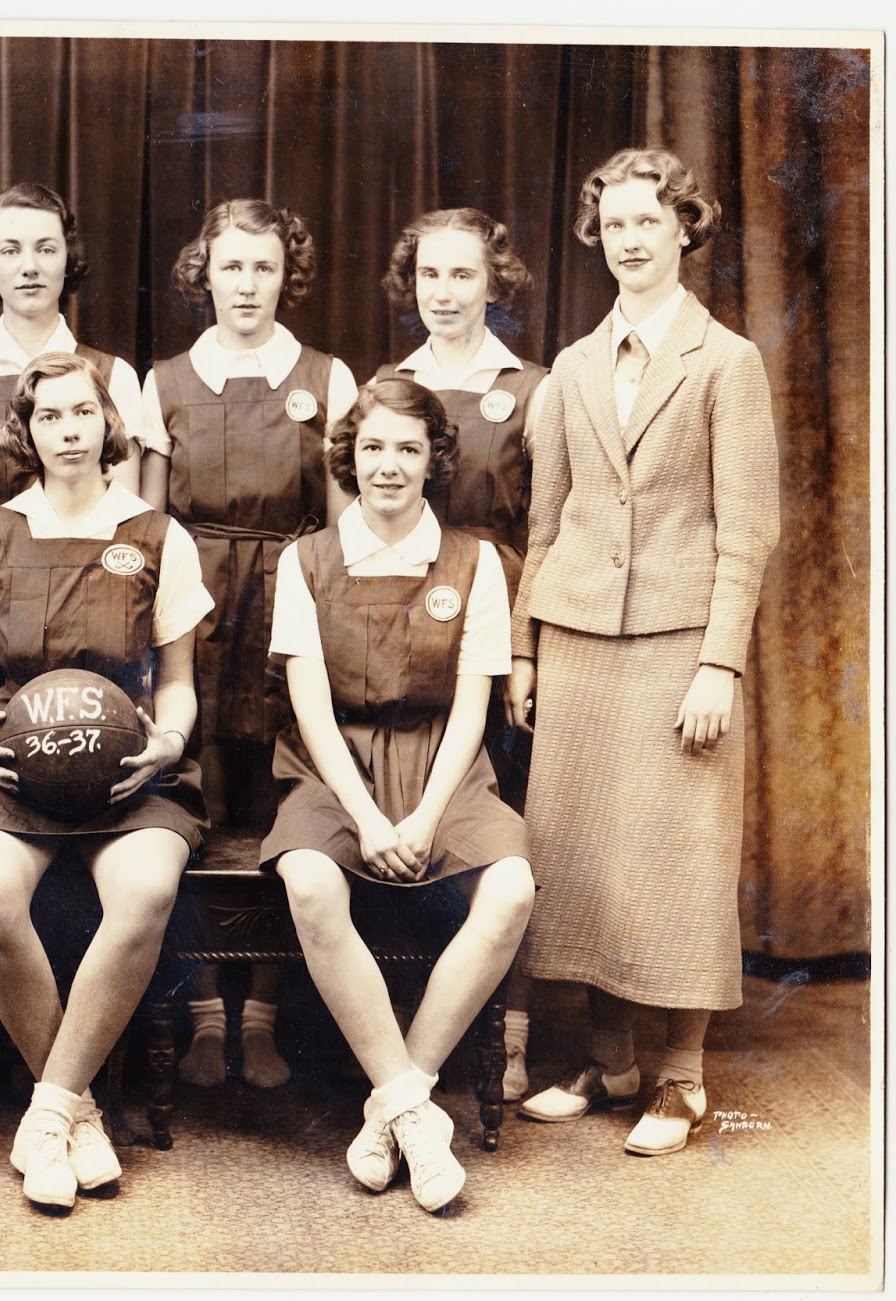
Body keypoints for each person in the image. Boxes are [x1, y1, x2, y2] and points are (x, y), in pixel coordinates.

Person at [506, 148, 779, 1157]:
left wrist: (720, 660)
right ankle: (608, 1059)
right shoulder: (571, 368)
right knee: (579, 858)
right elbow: (544, 525)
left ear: (683, 231)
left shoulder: (726, 362)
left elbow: (746, 528)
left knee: (677, 856)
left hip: (676, 643)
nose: (629, 239)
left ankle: (681, 1077)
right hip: (577, 641)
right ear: (598, 236)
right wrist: (529, 650)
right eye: (614, 224)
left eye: (647, 222)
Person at [0, 352, 212, 1211]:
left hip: (131, 766)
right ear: (28, 431)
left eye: (81, 413)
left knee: (145, 892)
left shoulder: (158, 534)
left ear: (107, 423)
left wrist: (166, 742)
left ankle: (47, 1110)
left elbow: (178, 681)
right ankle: (78, 1109)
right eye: (49, 417)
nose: (68, 431)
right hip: (13, 762)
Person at [260, 378, 535, 1213]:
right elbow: (309, 707)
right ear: (350, 455)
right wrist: (372, 816)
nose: (389, 465)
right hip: (334, 767)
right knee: (308, 880)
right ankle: (419, 1116)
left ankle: (393, 1101)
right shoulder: (303, 560)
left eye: (408, 449)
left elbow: (471, 708)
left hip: (444, 768)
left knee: (513, 887)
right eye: (373, 447)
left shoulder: (476, 561)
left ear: (434, 460)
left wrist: (418, 816)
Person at [139, 198, 358, 1090]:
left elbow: (344, 528)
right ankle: (198, 1012)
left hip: (290, 598)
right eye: (231, 266)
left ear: (285, 274)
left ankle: (261, 1015)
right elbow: (147, 524)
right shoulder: (166, 380)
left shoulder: (325, 375)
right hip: (196, 602)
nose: (247, 284)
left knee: (278, 803)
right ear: (205, 274)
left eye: (264, 267)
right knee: (194, 800)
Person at [376, 207, 551, 1101]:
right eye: (428, 277)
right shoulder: (387, 383)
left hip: (502, 610)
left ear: (495, 282)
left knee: (503, 819)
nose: (443, 294)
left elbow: (552, 525)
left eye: (462, 276)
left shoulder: (532, 386)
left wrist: (524, 649)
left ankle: (508, 1034)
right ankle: (396, 1031)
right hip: (405, 618)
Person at [0, 183, 153, 714]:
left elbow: (127, 518)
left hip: (87, 604)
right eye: (11, 249)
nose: (30, 266)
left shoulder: (114, 375)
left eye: (46, 248)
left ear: (68, 259)